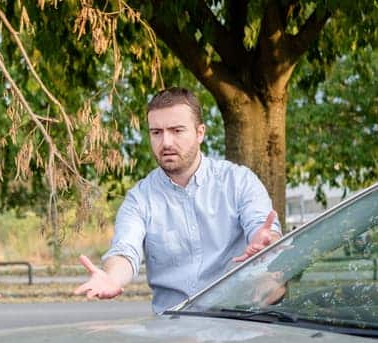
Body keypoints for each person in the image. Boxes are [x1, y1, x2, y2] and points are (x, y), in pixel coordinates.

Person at [75, 87, 281, 313]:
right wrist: (113, 278)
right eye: (156, 132)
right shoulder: (139, 198)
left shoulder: (239, 181)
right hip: (175, 331)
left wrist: (268, 243)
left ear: (200, 132)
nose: (166, 143)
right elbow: (125, 251)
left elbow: (263, 231)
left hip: (238, 321)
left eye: (177, 130)